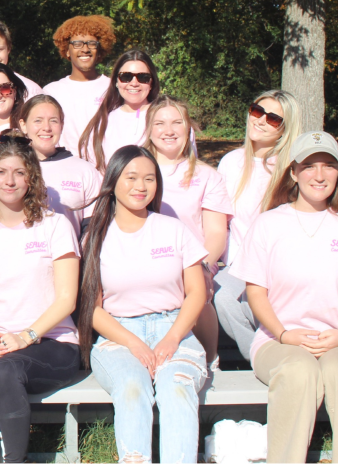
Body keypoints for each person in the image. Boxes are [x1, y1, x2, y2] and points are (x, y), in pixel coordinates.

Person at [230, 131, 338, 463]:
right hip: (278, 340)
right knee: (298, 371)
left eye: (328, 165)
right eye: (309, 166)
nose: (319, 175)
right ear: (293, 172)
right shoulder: (268, 224)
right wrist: (284, 334)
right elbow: (256, 291)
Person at [0, 131, 81, 463]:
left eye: (19, 172)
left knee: (6, 372)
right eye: (1, 172)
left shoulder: (55, 226)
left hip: (52, 341)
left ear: (31, 178)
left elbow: (67, 299)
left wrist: (25, 337)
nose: (9, 181)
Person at [80, 145, 209, 464]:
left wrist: (172, 338)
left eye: (149, 179)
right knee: (132, 385)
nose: (141, 186)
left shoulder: (173, 229)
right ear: (113, 181)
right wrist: (134, 343)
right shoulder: (96, 236)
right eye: (132, 177)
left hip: (174, 328)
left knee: (176, 387)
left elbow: (197, 293)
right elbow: (92, 309)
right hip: (118, 335)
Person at [142, 95, 233, 369]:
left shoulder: (207, 176)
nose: (168, 131)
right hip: (145, 260)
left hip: (192, 262)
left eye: (177, 123)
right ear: (149, 129)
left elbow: (216, 233)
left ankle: (209, 360)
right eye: (160, 123)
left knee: (195, 287)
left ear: (188, 128)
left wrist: (203, 266)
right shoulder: (135, 170)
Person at [213, 91, 303, 360]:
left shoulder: (292, 169)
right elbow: (220, 222)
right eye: (257, 111)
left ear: (285, 128)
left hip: (279, 268)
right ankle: (263, 357)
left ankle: (277, 355)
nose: (261, 120)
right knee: (222, 297)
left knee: (256, 302)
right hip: (237, 266)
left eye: (273, 118)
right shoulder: (231, 162)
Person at [18, 95, 101, 236]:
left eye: (53, 121)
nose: (46, 128)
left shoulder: (84, 170)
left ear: (62, 125)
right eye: (38, 121)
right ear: (23, 125)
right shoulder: (9, 169)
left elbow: (93, 226)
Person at [43, 16, 117, 153]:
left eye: (92, 43)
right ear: (67, 50)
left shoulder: (113, 88)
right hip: (66, 164)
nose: (85, 49)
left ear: (99, 50)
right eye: (77, 44)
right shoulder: (51, 92)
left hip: (107, 164)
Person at [77, 50, 160, 172]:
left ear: (151, 82)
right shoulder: (102, 123)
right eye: (126, 77)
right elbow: (92, 171)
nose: (134, 83)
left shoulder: (167, 117)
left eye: (143, 77)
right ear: (116, 81)